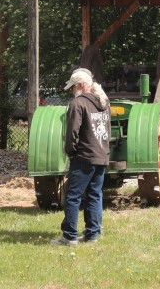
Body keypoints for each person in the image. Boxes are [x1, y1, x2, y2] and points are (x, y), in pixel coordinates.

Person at [51, 67, 111, 246]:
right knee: (94, 194)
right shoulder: (104, 102)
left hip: (84, 156)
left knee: (73, 196)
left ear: (81, 85)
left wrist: (70, 151)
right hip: (101, 154)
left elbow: (72, 133)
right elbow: (106, 131)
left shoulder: (78, 104)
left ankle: (69, 236)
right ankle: (93, 234)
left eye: (73, 87)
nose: (72, 90)